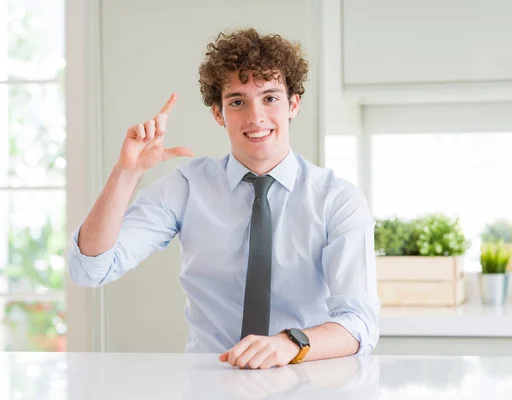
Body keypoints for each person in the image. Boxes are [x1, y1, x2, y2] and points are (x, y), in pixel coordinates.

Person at [67, 28, 380, 370]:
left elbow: (359, 324)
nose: (255, 116)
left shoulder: (337, 199)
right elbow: (89, 269)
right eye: (237, 101)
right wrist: (126, 173)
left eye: (270, 98)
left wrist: (289, 344)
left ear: (293, 104)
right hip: (209, 381)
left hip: (306, 378)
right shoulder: (187, 188)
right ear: (218, 113)